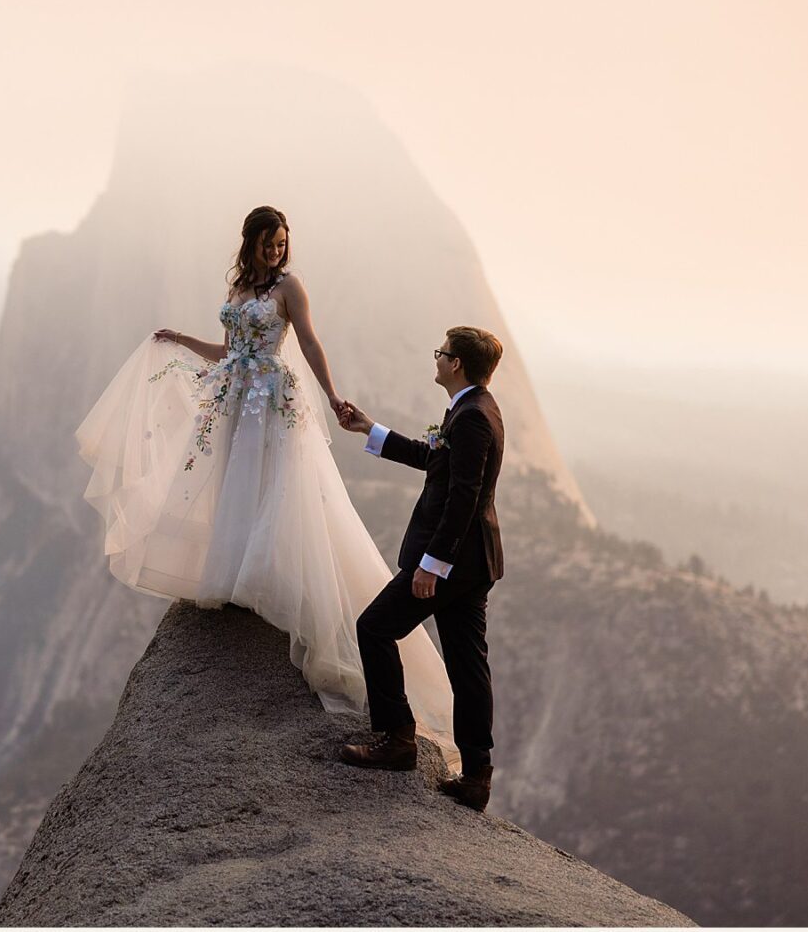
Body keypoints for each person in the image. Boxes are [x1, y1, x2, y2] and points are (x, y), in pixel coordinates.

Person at [75, 205, 460, 772]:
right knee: (234, 489)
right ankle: (235, 577)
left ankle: (265, 580)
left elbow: (307, 341)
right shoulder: (240, 285)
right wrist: (181, 339)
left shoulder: (289, 287)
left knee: (277, 493)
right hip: (237, 401)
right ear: (251, 242)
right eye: (270, 241)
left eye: (283, 242)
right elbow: (230, 350)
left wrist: (332, 396)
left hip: (272, 405)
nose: (278, 250)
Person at [333, 325, 505, 812]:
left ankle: (397, 739)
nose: (436, 358)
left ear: (456, 365)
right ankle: (476, 777)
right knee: (469, 668)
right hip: (473, 563)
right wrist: (372, 430)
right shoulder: (475, 408)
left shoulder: (471, 417)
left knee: (374, 628)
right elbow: (435, 461)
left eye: (441, 353)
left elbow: (463, 499)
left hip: (450, 562)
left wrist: (432, 565)